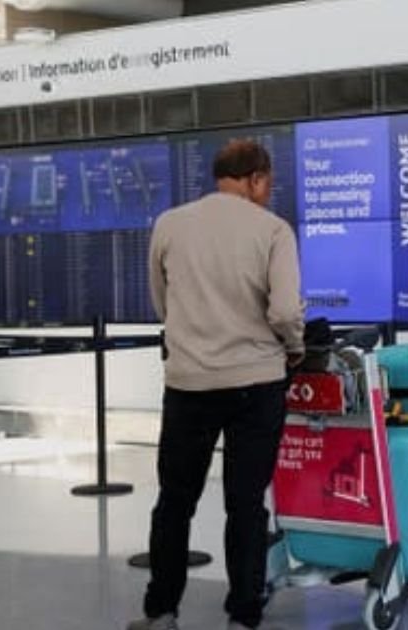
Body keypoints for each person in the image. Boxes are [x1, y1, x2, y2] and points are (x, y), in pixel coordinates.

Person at [129, 140, 305, 630]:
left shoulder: (169, 224)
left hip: (188, 383)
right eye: (267, 184)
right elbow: (285, 311)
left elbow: (162, 301)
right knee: (245, 505)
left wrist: (193, 334)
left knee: (174, 501)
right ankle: (242, 616)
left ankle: (161, 611)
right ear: (255, 178)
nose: (268, 193)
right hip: (256, 383)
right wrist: (293, 345)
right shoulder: (273, 230)